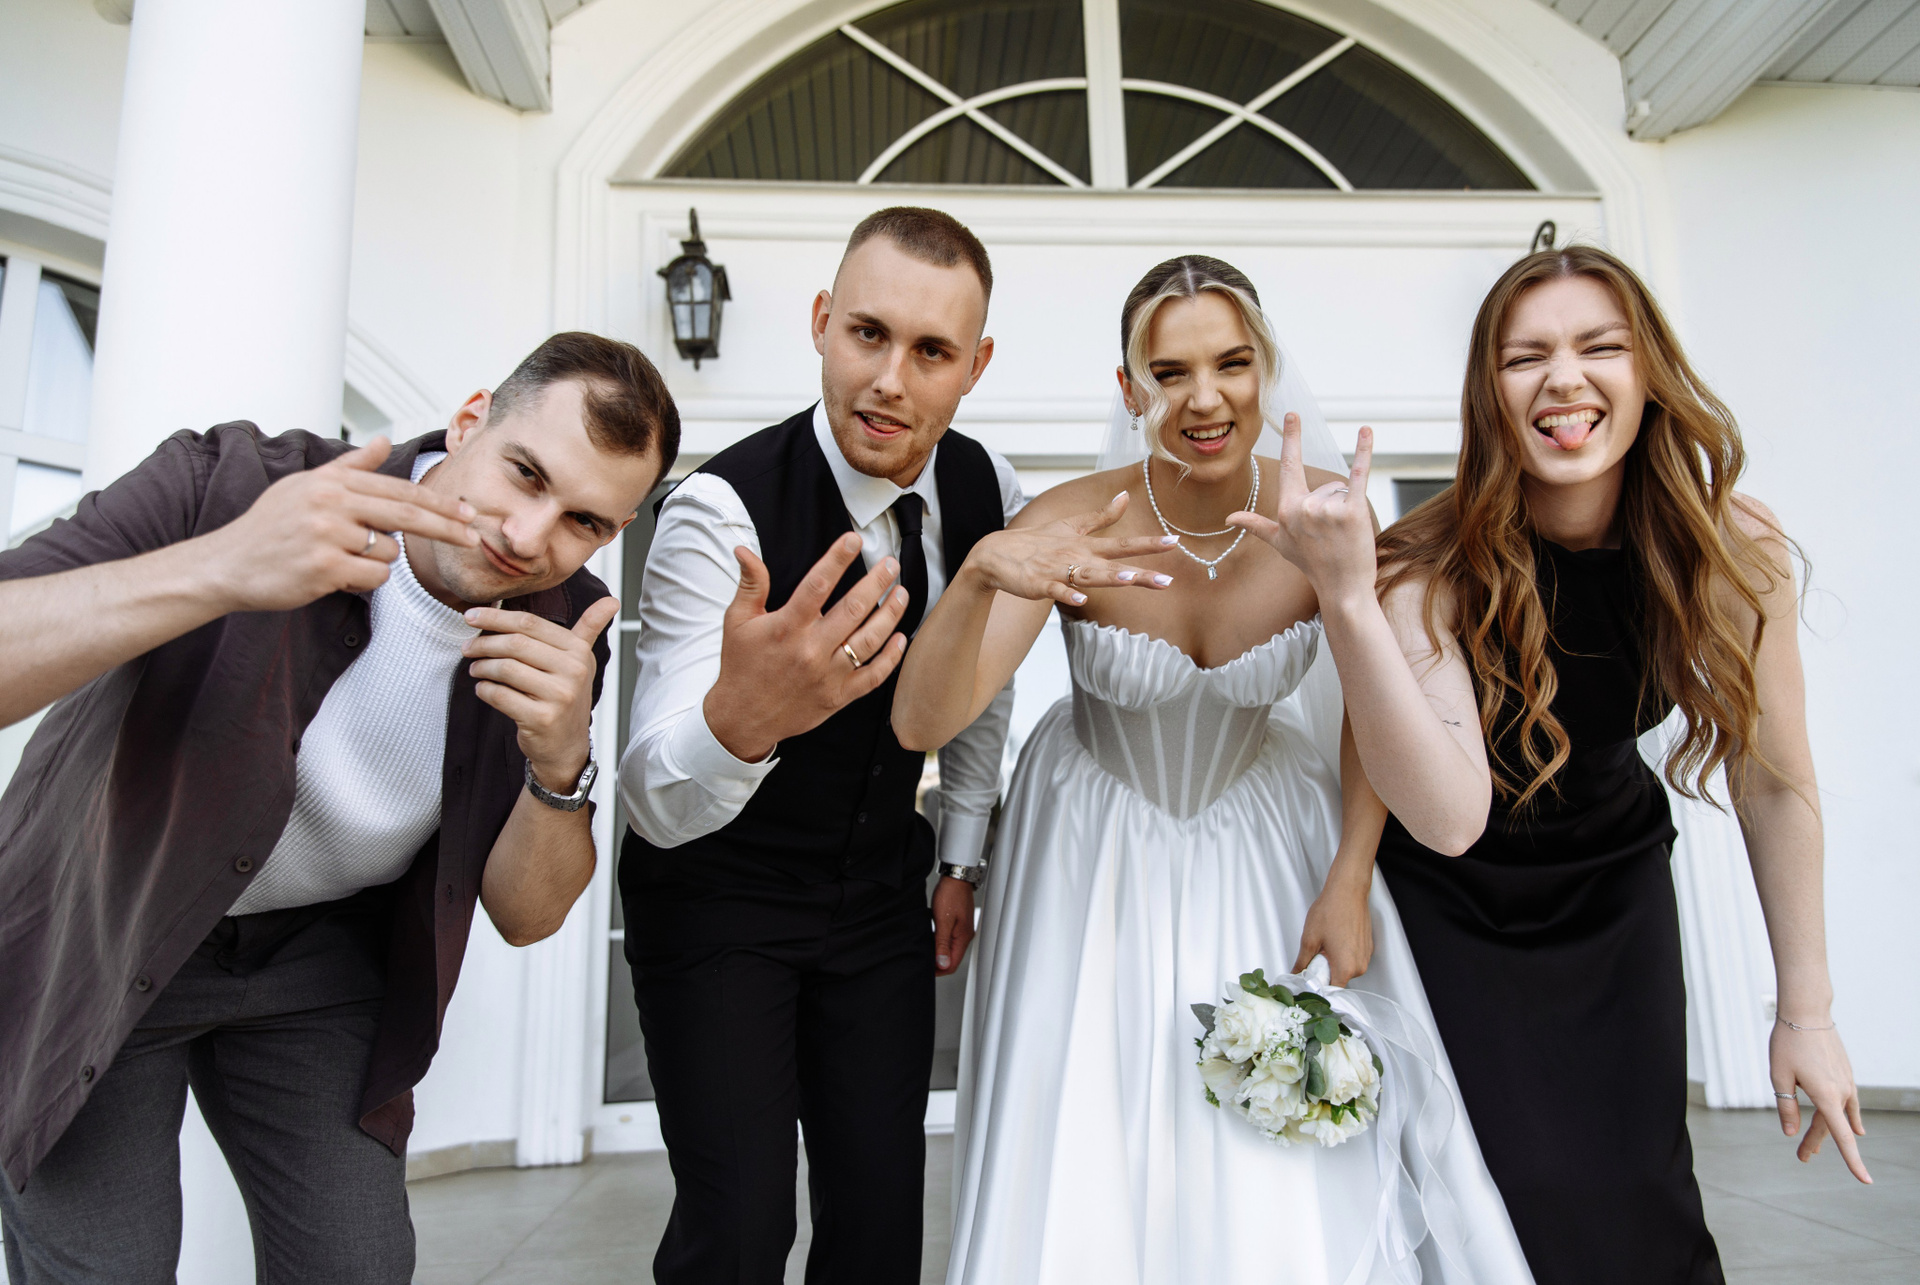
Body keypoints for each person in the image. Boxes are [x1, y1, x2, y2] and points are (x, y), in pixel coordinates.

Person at [893, 255, 1534, 1284]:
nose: (1205, 398)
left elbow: (1367, 704)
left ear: (1264, 369)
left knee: (1272, 1146)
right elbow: (925, 718)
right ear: (1128, 387)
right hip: (1088, 851)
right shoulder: (1068, 519)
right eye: (1170, 371)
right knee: (1089, 1130)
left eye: (1232, 363)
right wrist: (976, 576)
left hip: (1268, 837)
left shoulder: (1326, 514)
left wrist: (1350, 876)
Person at [1246, 245, 1870, 1284]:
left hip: (1615, 886)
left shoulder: (1732, 549)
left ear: (1649, 372)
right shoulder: (1426, 567)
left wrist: (1807, 1013)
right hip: (1455, 898)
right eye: (1525, 356)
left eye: (1599, 347)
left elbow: (1774, 780)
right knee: (1510, 1192)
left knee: (1643, 1191)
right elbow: (1447, 814)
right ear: (1488, 394)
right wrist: (1348, 601)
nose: (1564, 379)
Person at [0, 332, 677, 1284]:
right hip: (105, 918)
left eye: (584, 522)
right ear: (470, 420)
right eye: (525, 473)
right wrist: (223, 567)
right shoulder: (236, 481)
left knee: (359, 1266)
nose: (530, 537)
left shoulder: (569, 625)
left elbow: (528, 915)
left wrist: (562, 761)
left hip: (320, 964)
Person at [617, 207, 1026, 1285]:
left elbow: (980, 689)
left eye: (931, 351)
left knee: (880, 1220)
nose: (889, 380)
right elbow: (652, 799)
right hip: (718, 902)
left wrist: (959, 857)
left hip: (879, 900)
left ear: (974, 366)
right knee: (741, 1228)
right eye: (867, 334)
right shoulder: (718, 511)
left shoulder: (988, 492)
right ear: (820, 323)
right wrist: (747, 716)